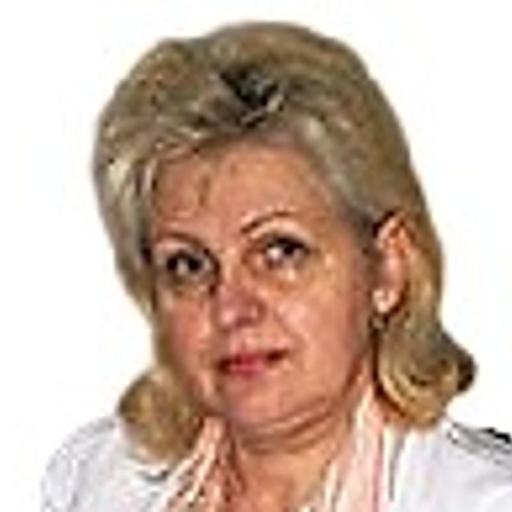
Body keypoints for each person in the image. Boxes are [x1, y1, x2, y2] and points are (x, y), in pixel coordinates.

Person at [41, 21, 512, 512]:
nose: (230, 309)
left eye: (280, 252)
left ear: (387, 268)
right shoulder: (92, 480)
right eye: (188, 265)